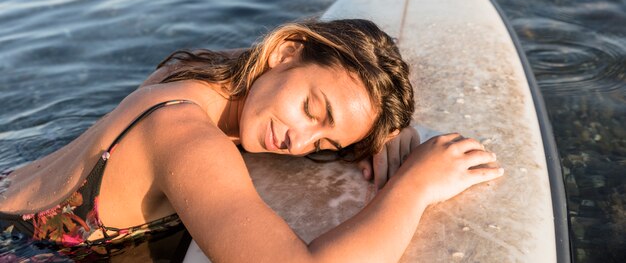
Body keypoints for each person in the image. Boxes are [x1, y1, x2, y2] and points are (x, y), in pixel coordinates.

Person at [0, 19, 503, 262]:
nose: (300, 142)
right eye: (313, 109)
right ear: (286, 51)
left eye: (325, 145)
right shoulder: (188, 139)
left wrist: (377, 132)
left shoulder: (192, 72)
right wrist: (412, 188)